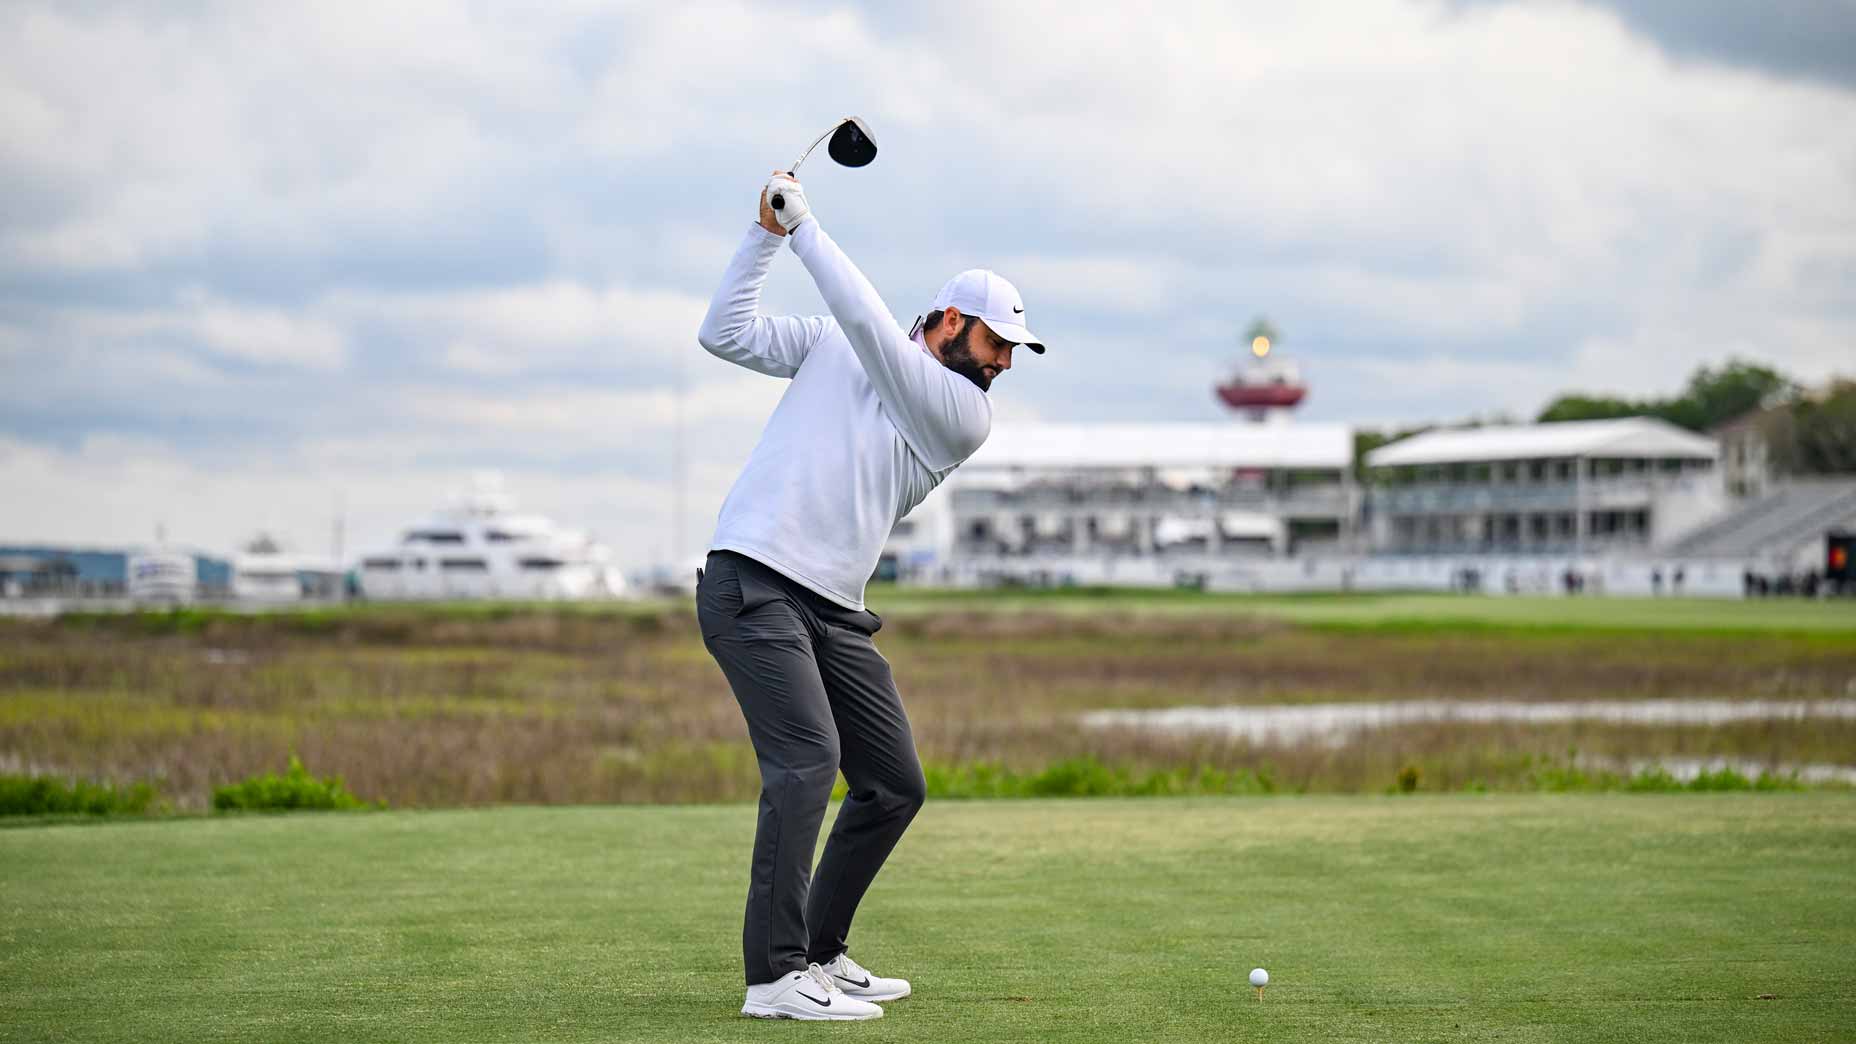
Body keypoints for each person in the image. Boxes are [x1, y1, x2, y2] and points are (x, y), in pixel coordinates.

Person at [693, 170, 1045, 1021]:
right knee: (809, 760)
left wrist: (809, 226)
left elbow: (872, 331)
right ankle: (775, 978)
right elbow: (722, 332)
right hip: (754, 580)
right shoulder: (835, 342)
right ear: (952, 321)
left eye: (1013, 351)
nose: (1004, 363)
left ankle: (818, 952)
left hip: (831, 608)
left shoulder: (962, 414)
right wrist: (766, 236)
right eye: (997, 342)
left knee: (892, 782)